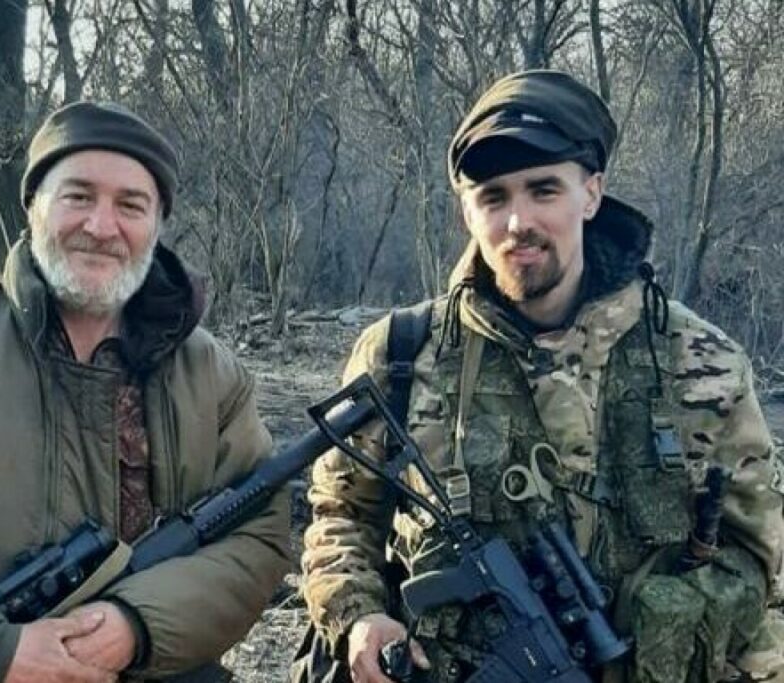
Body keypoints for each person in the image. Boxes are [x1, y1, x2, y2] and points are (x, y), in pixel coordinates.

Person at [300, 70, 784, 683]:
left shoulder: (699, 361)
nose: (517, 222)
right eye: (493, 197)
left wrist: (677, 624)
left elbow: (758, 559)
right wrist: (360, 614)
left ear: (591, 194)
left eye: (543, 190)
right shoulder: (401, 355)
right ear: (466, 211)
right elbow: (341, 514)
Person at [0, 102, 290, 683]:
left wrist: (134, 626)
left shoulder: (213, 375)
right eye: (77, 196)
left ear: (157, 224)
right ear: (33, 206)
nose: (101, 227)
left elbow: (258, 536)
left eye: (130, 205)